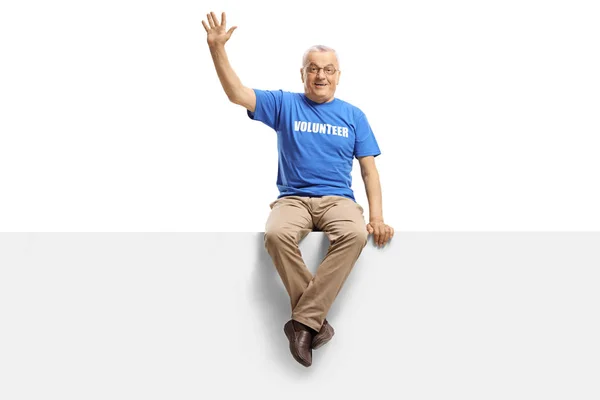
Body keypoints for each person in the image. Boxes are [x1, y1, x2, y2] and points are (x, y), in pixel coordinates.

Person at [202, 11, 394, 367]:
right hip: (294, 199)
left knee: (354, 235)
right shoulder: (285, 104)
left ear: (338, 75)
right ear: (303, 73)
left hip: (339, 200)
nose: (320, 75)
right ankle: (314, 323)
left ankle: (303, 323)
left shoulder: (354, 115)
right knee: (275, 235)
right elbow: (237, 94)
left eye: (328, 69)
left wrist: (378, 217)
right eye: (313, 68)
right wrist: (217, 50)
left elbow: (369, 171)